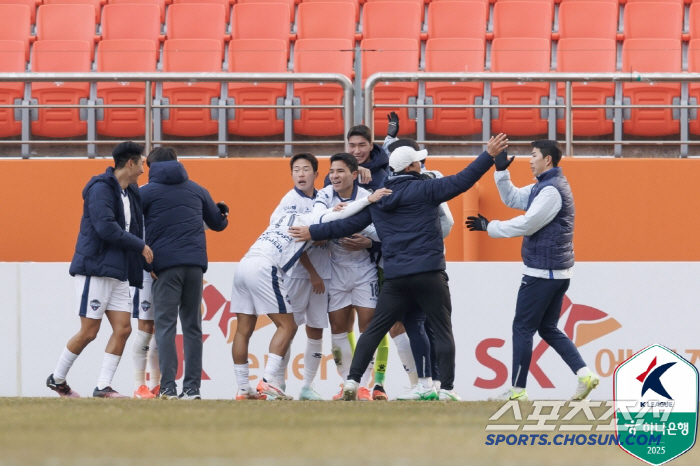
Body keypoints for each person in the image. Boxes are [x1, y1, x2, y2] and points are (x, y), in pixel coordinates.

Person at [290, 134, 508, 401]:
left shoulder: (380, 198)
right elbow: (464, 179)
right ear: (410, 167)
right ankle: (446, 390)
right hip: (429, 274)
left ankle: (353, 381)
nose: (421, 165)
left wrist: (311, 231)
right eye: (417, 162)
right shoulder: (428, 189)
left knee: (373, 331)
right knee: (442, 331)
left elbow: (343, 225)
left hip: (396, 278)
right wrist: (488, 155)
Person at [466, 140, 600, 402]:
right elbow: (513, 198)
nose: (529, 159)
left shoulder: (551, 191)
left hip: (543, 272)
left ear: (547, 160)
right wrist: (501, 172)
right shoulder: (545, 186)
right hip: (554, 273)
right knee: (548, 329)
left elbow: (528, 224)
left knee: (522, 328)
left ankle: (517, 391)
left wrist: (489, 227)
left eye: (534, 155)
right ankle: (585, 375)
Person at [231, 187, 392, 401]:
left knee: (243, 329)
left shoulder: (281, 217)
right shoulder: (312, 218)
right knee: (287, 325)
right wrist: (369, 199)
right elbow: (341, 216)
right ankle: (268, 382)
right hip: (264, 267)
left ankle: (243, 389)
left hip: (243, 264)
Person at [47, 141, 153, 399]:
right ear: (130, 163)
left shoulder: (132, 191)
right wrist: (140, 247)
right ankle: (57, 379)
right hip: (95, 268)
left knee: (124, 329)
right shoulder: (100, 189)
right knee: (89, 331)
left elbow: (135, 227)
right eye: (141, 163)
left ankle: (103, 386)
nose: (143, 169)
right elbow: (105, 228)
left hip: (119, 271)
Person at [140, 147, 229, 400]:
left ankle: (168, 387)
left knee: (166, 327)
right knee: (192, 327)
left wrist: (148, 265)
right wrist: (224, 211)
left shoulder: (144, 193)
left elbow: (133, 231)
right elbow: (218, 224)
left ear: (149, 166)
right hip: (194, 266)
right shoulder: (197, 189)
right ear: (178, 163)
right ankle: (192, 389)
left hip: (164, 267)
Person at [314, 153, 381, 401]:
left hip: (364, 272)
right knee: (339, 330)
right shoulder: (324, 196)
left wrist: (368, 242)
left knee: (369, 328)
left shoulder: (367, 197)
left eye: (340, 171)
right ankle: (345, 384)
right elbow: (318, 219)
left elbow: (383, 230)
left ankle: (363, 385)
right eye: (332, 171)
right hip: (336, 273)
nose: (334, 176)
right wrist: (334, 212)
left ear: (354, 175)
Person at [270, 153, 331, 401]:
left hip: (323, 274)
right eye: (296, 170)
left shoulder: (324, 198)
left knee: (316, 330)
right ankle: (277, 384)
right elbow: (294, 239)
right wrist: (312, 271)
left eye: (306, 169)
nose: (301, 174)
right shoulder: (288, 203)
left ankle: (307, 386)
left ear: (317, 174)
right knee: (289, 329)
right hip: (296, 275)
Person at [131, 264, 160, 399]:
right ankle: (139, 386)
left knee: (161, 326)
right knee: (146, 326)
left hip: (164, 269)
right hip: (144, 274)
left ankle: (155, 385)